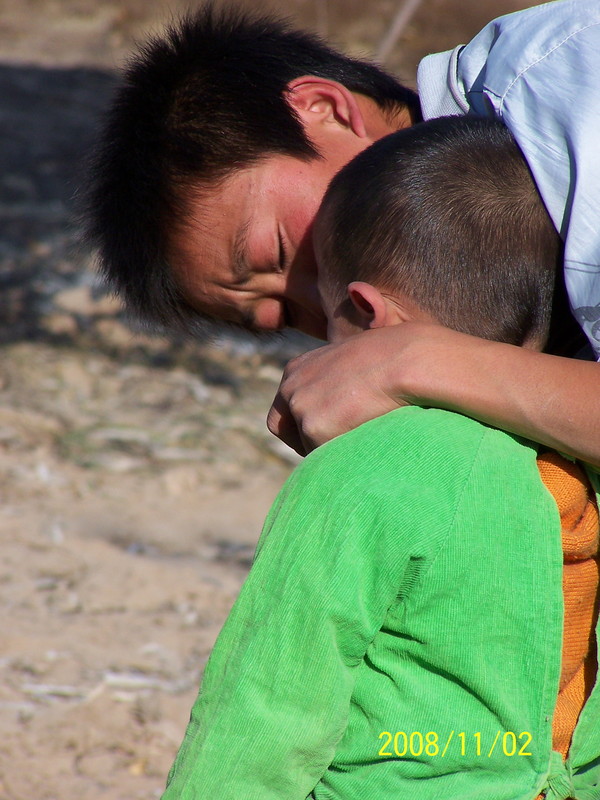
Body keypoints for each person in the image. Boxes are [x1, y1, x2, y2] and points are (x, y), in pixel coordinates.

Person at [161, 117, 600, 800]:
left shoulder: (361, 470)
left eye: (325, 319)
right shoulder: (582, 455)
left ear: (367, 316)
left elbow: (269, 706)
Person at [84, 1, 600, 464]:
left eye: (285, 250)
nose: (336, 308)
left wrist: (421, 362)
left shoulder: (561, 82)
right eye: (288, 315)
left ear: (325, 111)